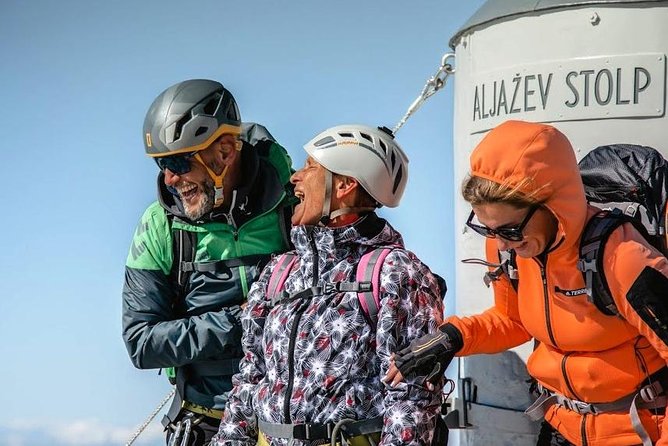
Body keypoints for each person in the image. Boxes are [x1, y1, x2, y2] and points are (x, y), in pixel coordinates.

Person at [385, 119, 668, 446]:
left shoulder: (622, 259)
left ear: (554, 205)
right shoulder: (510, 251)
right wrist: (452, 337)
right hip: (560, 429)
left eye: (509, 230)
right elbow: (513, 320)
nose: (501, 243)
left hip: (640, 433)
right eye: (487, 229)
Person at [211, 124, 446, 446]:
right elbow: (251, 378)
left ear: (346, 184)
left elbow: (412, 397)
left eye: (310, 167)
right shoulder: (280, 271)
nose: (295, 177)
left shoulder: (396, 273)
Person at [122, 79, 295, 446]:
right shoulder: (159, 226)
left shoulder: (292, 204)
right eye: (161, 164)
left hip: (292, 423)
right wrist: (239, 320)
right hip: (207, 420)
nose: (169, 179)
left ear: (226, 151)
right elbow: (141, 342)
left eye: (179, 162)